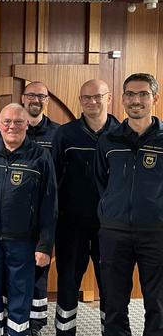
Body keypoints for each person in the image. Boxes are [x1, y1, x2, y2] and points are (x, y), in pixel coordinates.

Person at [0, 103, 57, 336]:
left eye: (18, 121)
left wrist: (45, 245)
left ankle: (18, 333)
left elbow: (50, 204)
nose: (12, 126)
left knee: (20, 293)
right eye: (6, 121)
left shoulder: (41, 157)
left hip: (23, 241)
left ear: (27, 124)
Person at [94, 73, 163, 336]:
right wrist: (113, 208)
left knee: (157, 303)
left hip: (156, 233)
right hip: (114, 232)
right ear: (122, 99)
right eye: (130, 94)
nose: (136, 100)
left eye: (143, 94)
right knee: (114, 303)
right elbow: (101, 182)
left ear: (154, 98)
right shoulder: (108, 140)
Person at [51, 79, 119, 336]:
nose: (92, 102)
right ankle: (65, 332)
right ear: (80, 100)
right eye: (86, 97)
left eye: (98, 97)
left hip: (110, 226)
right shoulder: (65, 134)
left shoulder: (121, 134)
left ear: (109, 98)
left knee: (110, 285)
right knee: (68, 284)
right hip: (71, 225)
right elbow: (54, 182)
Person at [0, 82, 60, 335]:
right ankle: (15, 320)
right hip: (10, 222)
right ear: (23, 98)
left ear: (47, 100)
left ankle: (36, 323)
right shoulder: (2, 131)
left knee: (38, 272)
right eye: (31, 95)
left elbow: (58, 177)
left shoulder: (57, 133)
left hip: (41, 217)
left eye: (41, 96)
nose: (35, 100)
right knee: (10, 276)